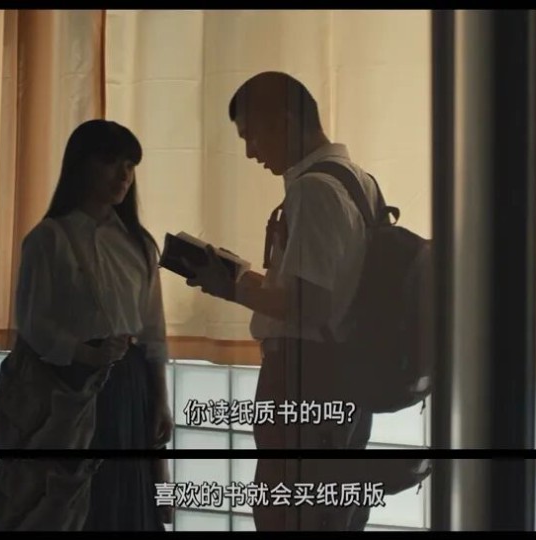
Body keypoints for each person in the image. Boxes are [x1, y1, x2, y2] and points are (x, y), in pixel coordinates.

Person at [184, 71, 381, 531]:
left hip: (303, 373)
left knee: (287, 512)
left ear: (286, 121)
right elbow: (331, 291)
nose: (251, 152)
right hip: (348, 373)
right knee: (331, 509)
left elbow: (308, 305)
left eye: (252, 136)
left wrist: (230, 286)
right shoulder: (360, 182)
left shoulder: (313, 190)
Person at [14, 119, 173, 531]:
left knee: (131, 496)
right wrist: (84, 353)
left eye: (130, 165)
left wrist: (160, 399)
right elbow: (32, 322)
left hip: (130, 382)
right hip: (67, 386)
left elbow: (152, 331)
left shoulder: (139, 243)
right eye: (110, 162)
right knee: (74, 501)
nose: (123, 175)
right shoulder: (48, 238)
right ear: (81, 165)